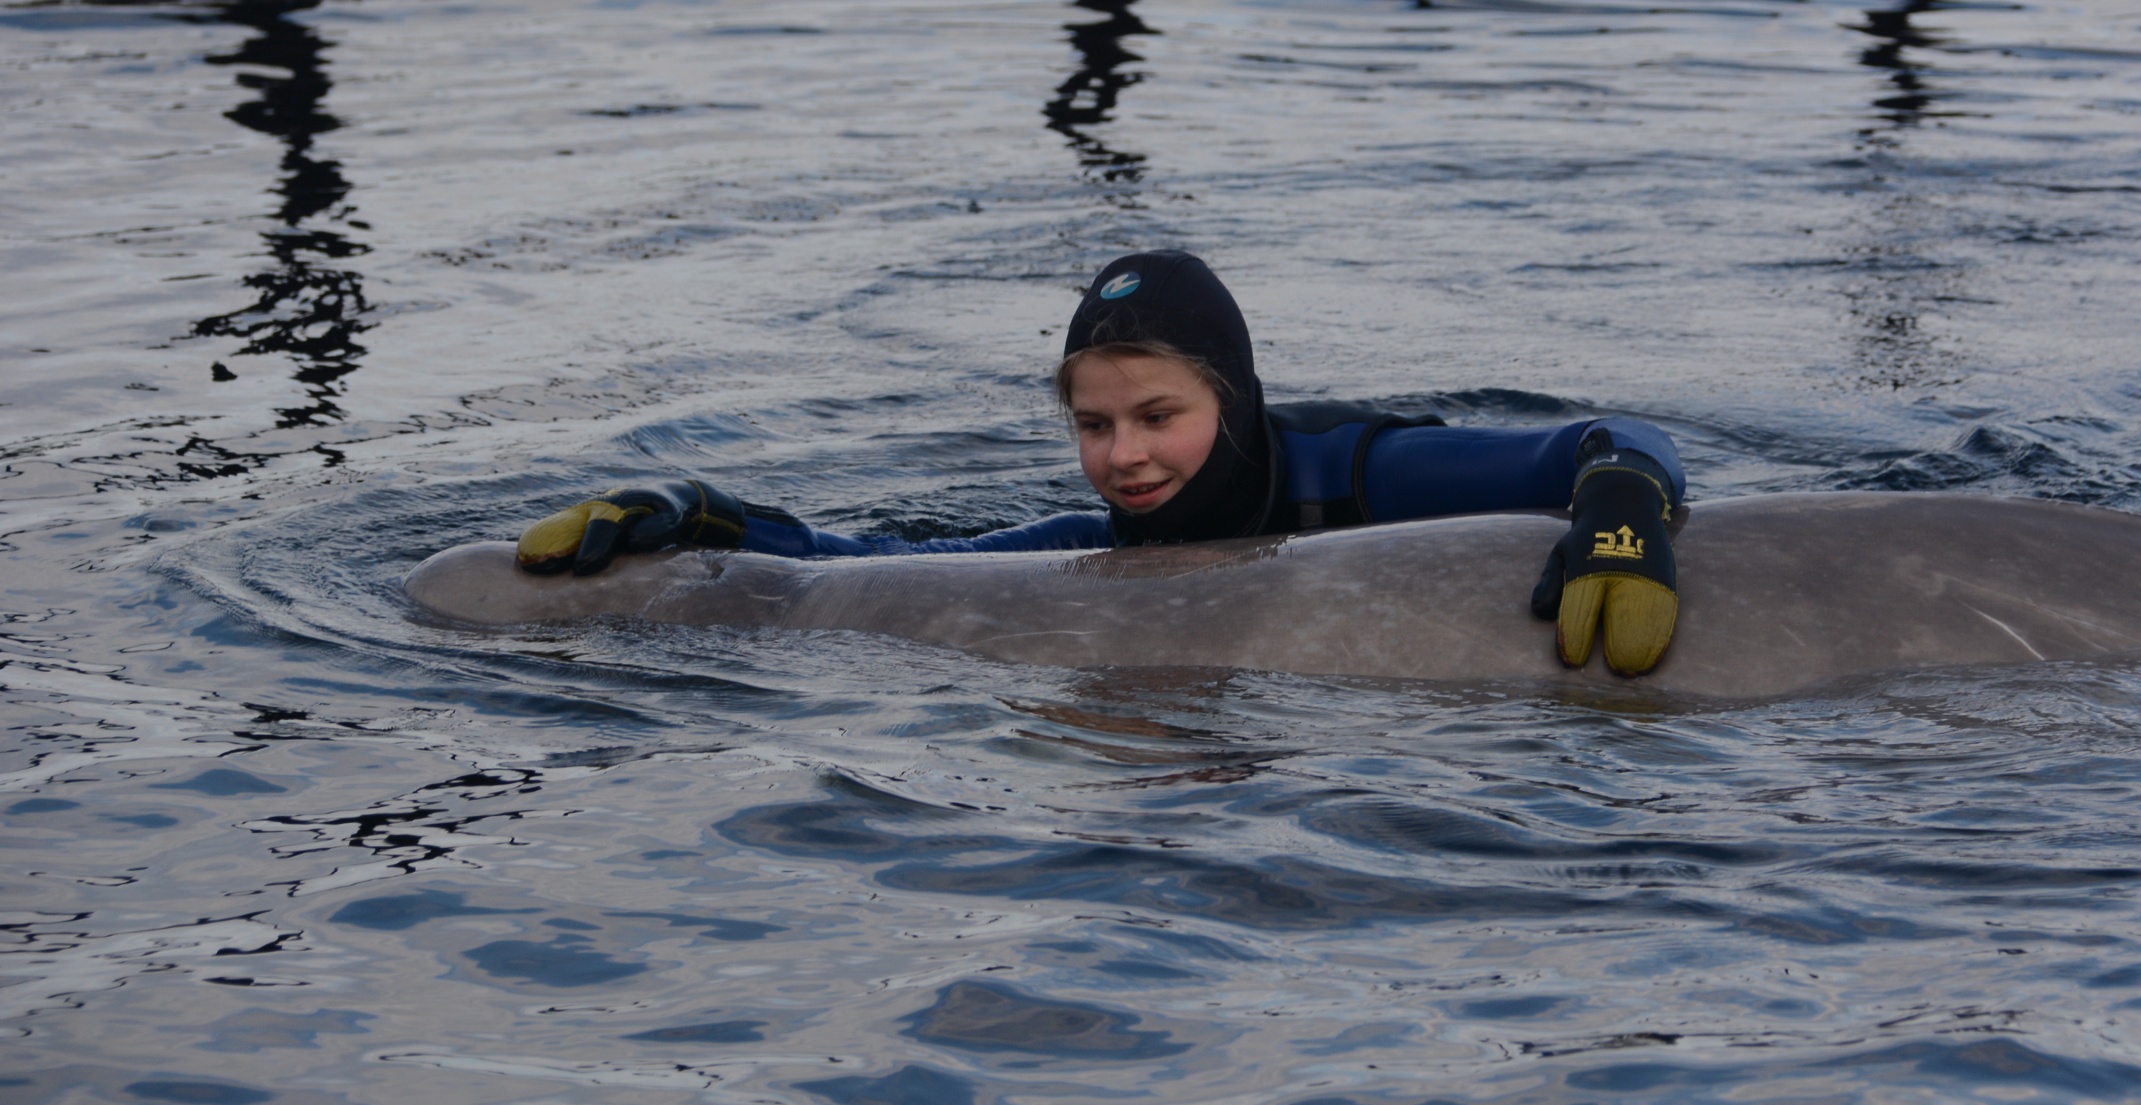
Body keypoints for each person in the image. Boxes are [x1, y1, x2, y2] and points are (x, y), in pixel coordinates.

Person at [516, 252, 1687, 675]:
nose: (1122, 459)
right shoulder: (1103, 541)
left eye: (1158, 416)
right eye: (1092, 427)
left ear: (1229, 399)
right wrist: (690, 510)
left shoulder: (1357, 470)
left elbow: (1606, 444)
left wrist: (1625, 514)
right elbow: (856, 563)